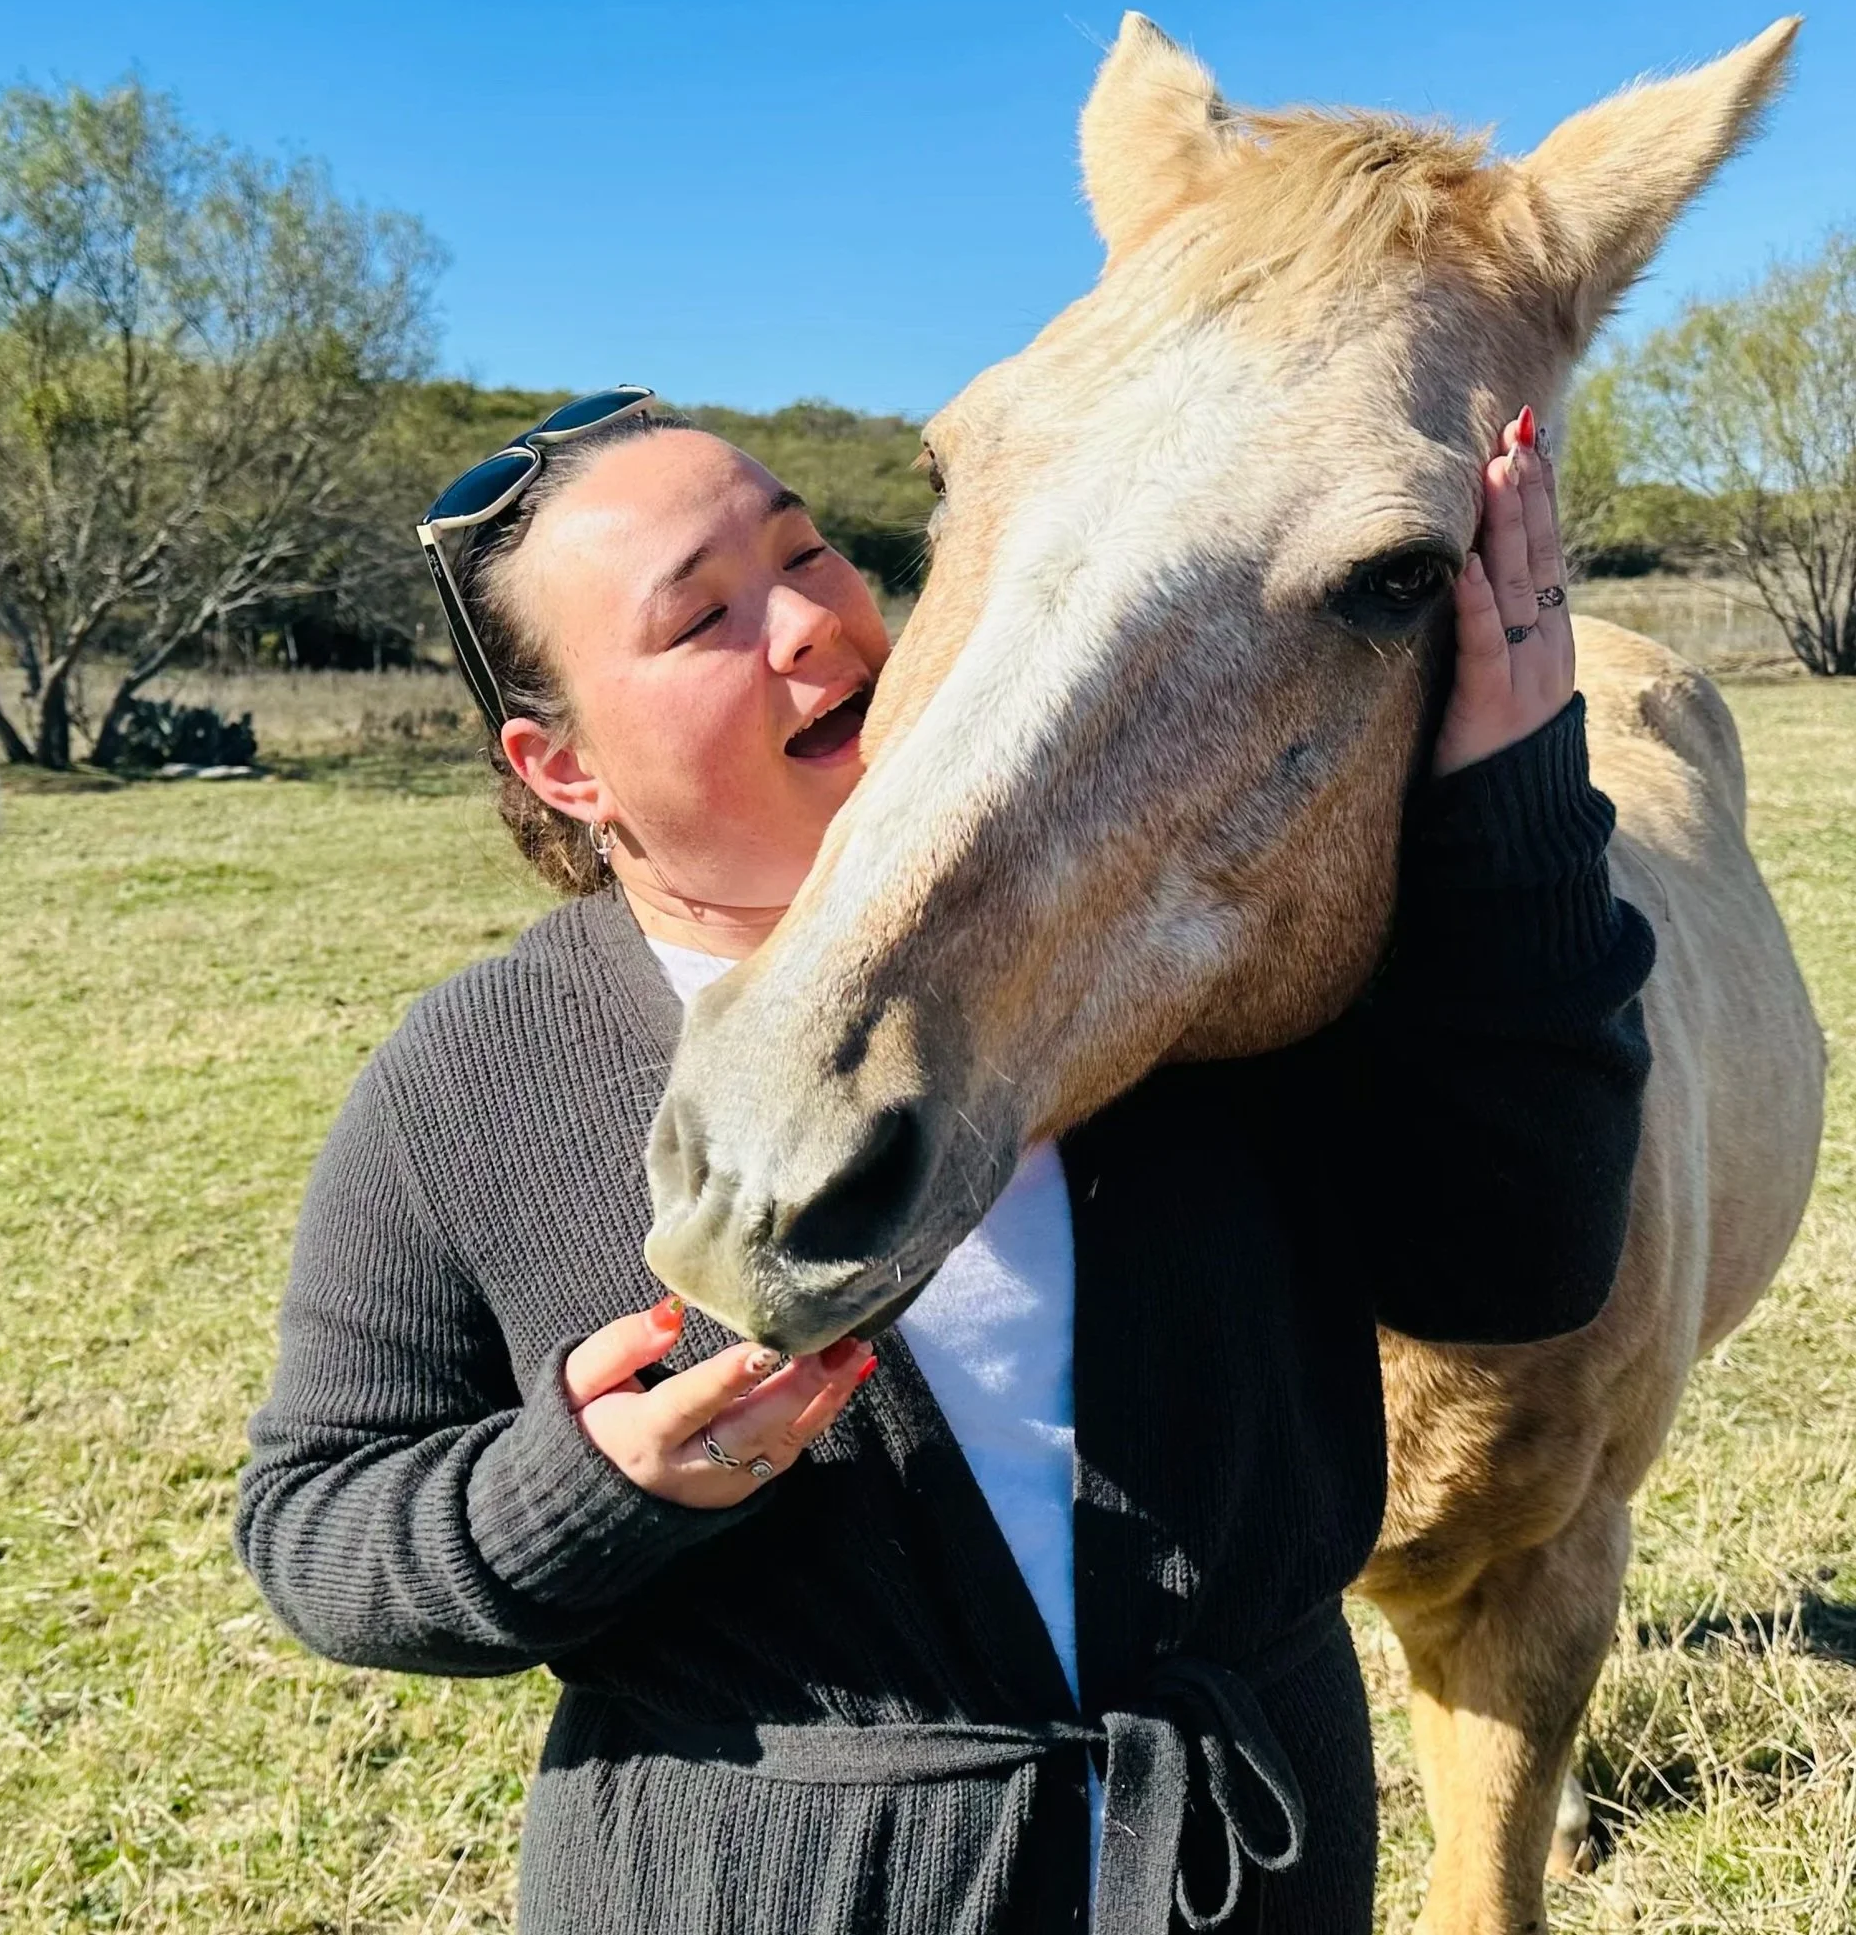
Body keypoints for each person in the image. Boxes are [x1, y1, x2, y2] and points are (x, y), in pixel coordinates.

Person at [236, 388, 1653, 1932]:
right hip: (763, 1894)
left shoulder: (1148, 937)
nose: (807, 621)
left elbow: (1517, 1260)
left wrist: (1510, 803)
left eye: (806, 548)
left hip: (1247, 1869)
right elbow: (315, 1523)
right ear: (564, 766)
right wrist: (580, 1488)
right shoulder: (477, 1085)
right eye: (702, 615)